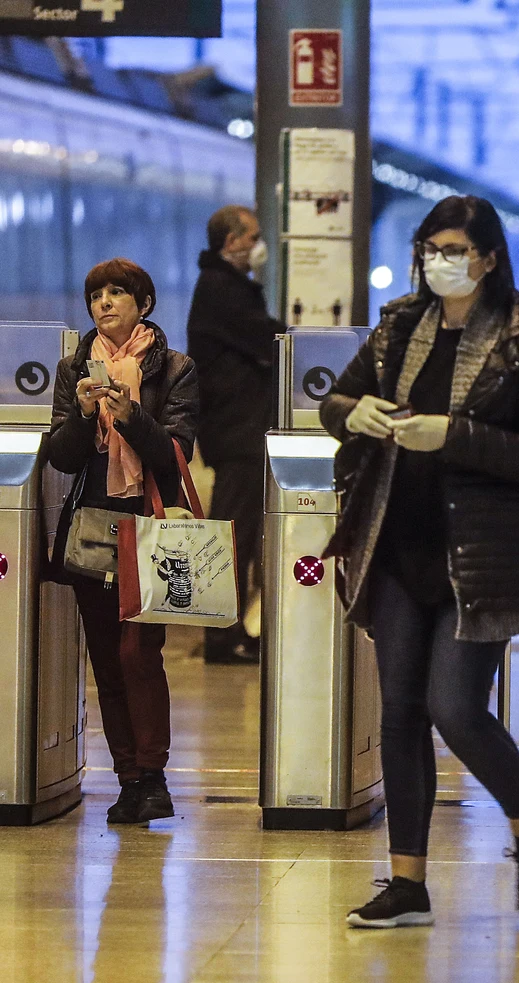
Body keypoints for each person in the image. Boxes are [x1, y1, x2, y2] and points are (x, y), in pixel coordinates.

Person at [321, 195, 519, 928]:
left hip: (481, 558)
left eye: (454, 249)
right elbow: (337, 397)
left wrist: (452, 435)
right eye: (430, 248)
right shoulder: (401, 326)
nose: (439, 261)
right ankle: (407, 880)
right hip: (398, 543)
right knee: (399, 709)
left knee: (455, 707)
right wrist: (352, 415)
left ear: (489, 257)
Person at [46, 258, 199, 824]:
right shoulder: (73, 369)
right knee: (107, 662)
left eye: (117, 293)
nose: (104, 303)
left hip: (150, 526)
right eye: (95, 296)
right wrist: (86, 415)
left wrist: (131, 416)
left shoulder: (175, 368)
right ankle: (128, 780)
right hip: (92, 525)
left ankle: (154, 777)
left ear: (143, 303)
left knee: (140, 655)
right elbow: (61, 455)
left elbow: (176, 453)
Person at [185, 205, 282, 665]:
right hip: (237, 430)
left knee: (238, 532)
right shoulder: (223, 289)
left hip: (237, 428)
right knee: (232, 535)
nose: (259, 245)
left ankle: (234, 630)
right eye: (254, 236)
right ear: (232, 242)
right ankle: (222, 636)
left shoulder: (223, 286)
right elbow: (266, 339)